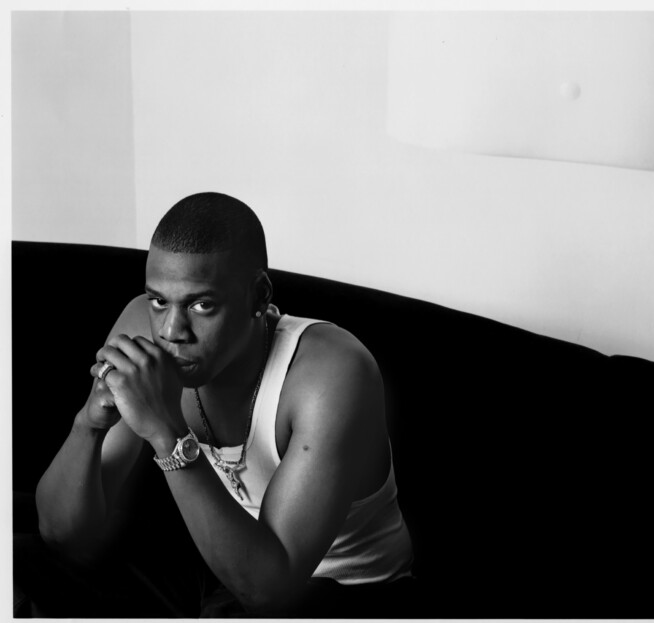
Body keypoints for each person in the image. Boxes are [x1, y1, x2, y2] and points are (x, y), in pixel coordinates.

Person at [15, 192, 415, 617]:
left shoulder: (331, 373)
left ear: (259, 296)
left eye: (202, 304)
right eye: (158, 301)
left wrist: (167, 434)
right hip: (214, 560)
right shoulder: (142, 328)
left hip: (342, 590)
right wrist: (89, 426)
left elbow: (267, 588)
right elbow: (63, 535)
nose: (172, 330)